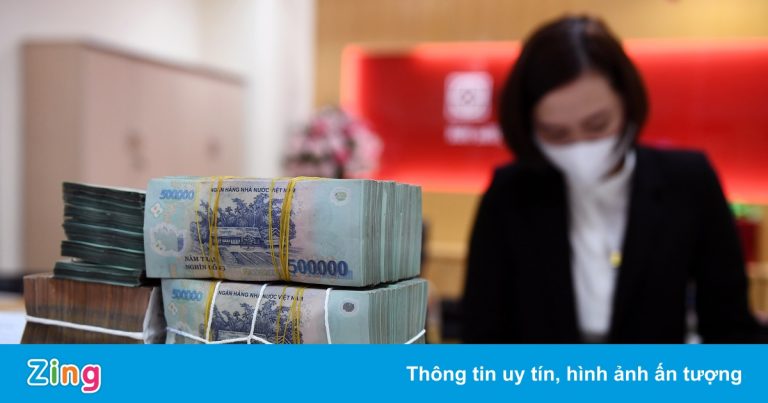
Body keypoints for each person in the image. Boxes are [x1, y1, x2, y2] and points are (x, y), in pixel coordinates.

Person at [462, 15, 761, 343]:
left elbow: (730, 328)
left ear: (627, 104)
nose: (579, 146)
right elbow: (481, 335)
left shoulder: (688, 181)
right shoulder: (509, 194)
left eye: (597, 125)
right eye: (556, 133)